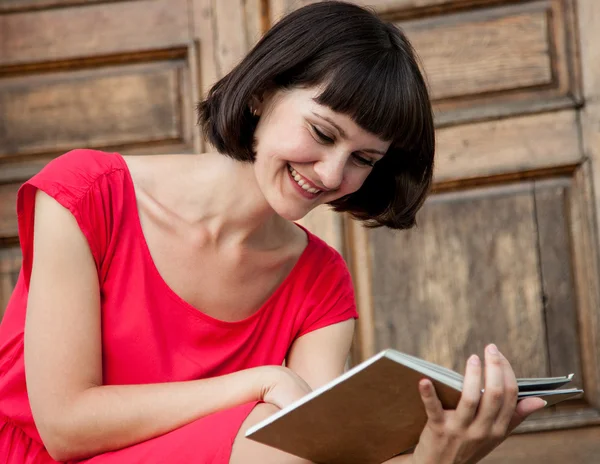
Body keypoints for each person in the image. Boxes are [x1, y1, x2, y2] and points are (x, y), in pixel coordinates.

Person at [0, 2, 545, 463]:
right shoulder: (87, 194)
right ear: (261, 93)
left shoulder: (321, 281)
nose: (332, 175)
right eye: (321, 132)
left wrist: (434, 457)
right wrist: (256, 382)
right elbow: (64, 426)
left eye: (363, 158)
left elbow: (310, 457)